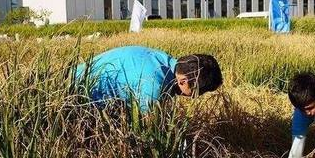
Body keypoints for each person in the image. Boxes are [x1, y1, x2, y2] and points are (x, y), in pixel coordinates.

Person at [75, 45, 222, 113]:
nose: (196, 97)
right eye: (199, 91)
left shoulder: (163, 60)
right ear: (183, 81)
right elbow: (148, 133)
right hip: (76, 96)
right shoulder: (153, 85)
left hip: (76, 78)